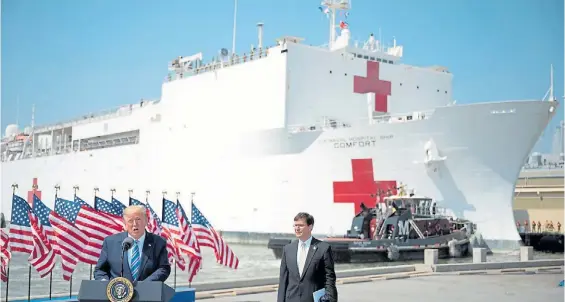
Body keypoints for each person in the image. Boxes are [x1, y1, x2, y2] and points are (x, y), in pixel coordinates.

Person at [94, 205, 171, 282]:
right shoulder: (110, 242)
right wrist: (105, 284)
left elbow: (163, 268)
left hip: (147, 291)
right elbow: (100, 270)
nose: (135, 224)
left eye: (138, 219)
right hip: (117, 292)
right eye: (130, 221)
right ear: (124, 223)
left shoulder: (158, 242)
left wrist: (145, 285)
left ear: (146, 220)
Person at [277, 212, 337, 302]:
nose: (297, 228)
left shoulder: (323, 248)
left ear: (310, 227)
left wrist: (331, 300)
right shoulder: (288, 249)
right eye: (295, 225)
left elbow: (329, 279)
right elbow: (283, 281)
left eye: (300, 225)